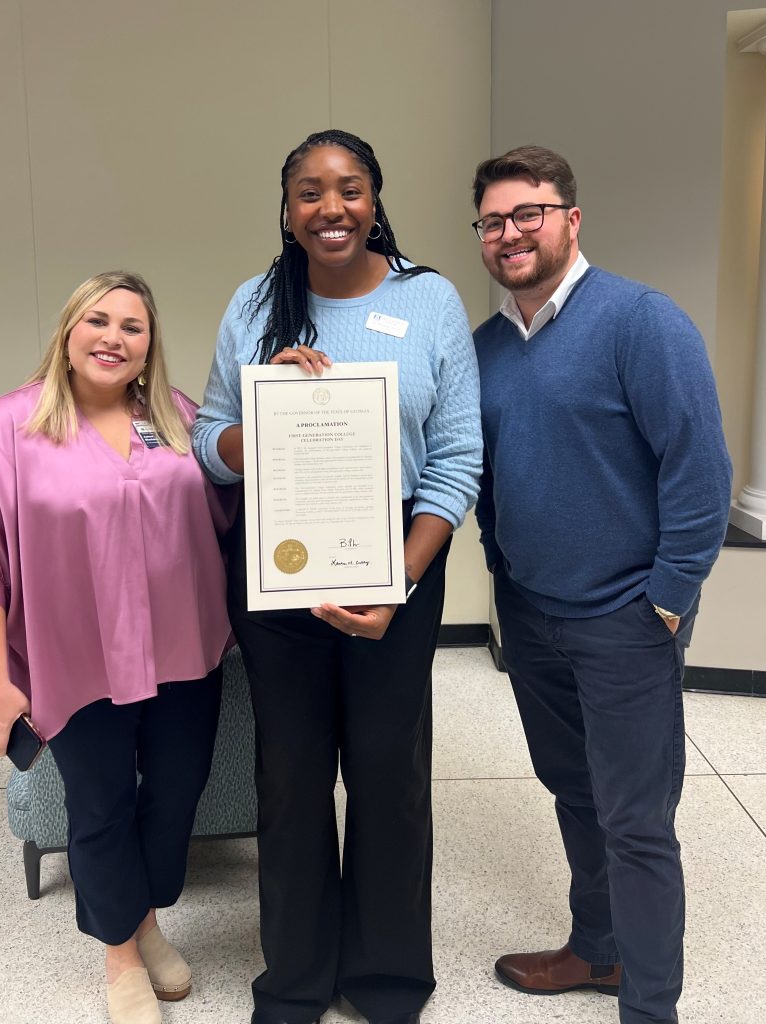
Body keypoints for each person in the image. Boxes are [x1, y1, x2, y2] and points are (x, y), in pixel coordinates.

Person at [194, 129, 481, 1024]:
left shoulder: (428, 300)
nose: (330, 209)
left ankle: (389, 979)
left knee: (390, 773)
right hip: (279, 566)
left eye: (348, 189)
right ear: (286, 210)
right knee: (291, 774)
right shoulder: (253, 304)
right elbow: (209, 441)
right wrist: (263, 412)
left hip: (396, 558)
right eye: (309, 193)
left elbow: (457, 454)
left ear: (375, 199)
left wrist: (399, 576)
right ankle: (296, 979)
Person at [469, 146, 732, 1024]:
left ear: (569, 220)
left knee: (635, 821)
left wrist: (666, 598)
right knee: (573, 792)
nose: (509, 233)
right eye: (492, 221)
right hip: (533, 617)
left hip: (625, 620)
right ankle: (598, 951)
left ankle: (649, 1009)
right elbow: (485, 476)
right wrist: (501, 570)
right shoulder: (487, 347)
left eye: (527, 213)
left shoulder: (640, 321)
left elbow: (698, 470)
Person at [0, 271, 237, 1024]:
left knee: (174, 798)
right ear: (69, 333)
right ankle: (121, 957)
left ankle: (141, 918)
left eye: (132, 326)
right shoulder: (10, 427)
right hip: (76, 661)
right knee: (101, 808)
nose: (113, 337)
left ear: (150, 344)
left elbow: (233, 509)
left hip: (183, 655)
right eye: (97, 321)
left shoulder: (174, 417)